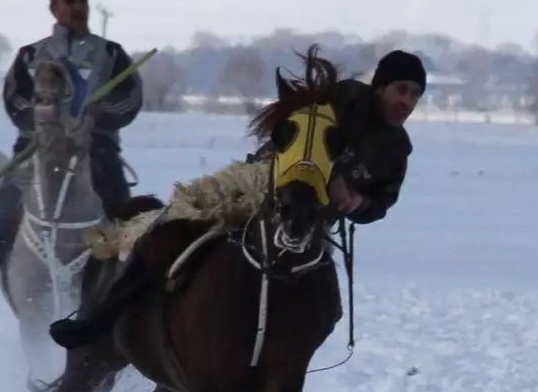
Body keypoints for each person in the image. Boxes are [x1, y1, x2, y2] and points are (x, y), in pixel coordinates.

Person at [47, 49, 426, 342]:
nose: (407, 101)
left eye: (415, 95)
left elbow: (381, 202)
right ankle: (99, 320)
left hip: (313, 222)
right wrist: (333, 174)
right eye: (401, 89)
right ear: (380, 87)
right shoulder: (346, 99)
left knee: (325, 310)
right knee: (175, 227)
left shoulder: (398, 150)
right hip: (264, 183)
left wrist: (360, 204)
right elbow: (300, 130)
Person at [0, 0, 144, 320]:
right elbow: (14, 100)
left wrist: (99, 114)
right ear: (53, 8)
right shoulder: (30, 55)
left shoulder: (111, 54)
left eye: (82, 0)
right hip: (37, 151)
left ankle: (135, 294)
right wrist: (46, 121)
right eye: (69, 1)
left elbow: (130, 99)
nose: (77, 7)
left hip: (96, 152)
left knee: (125, 213)